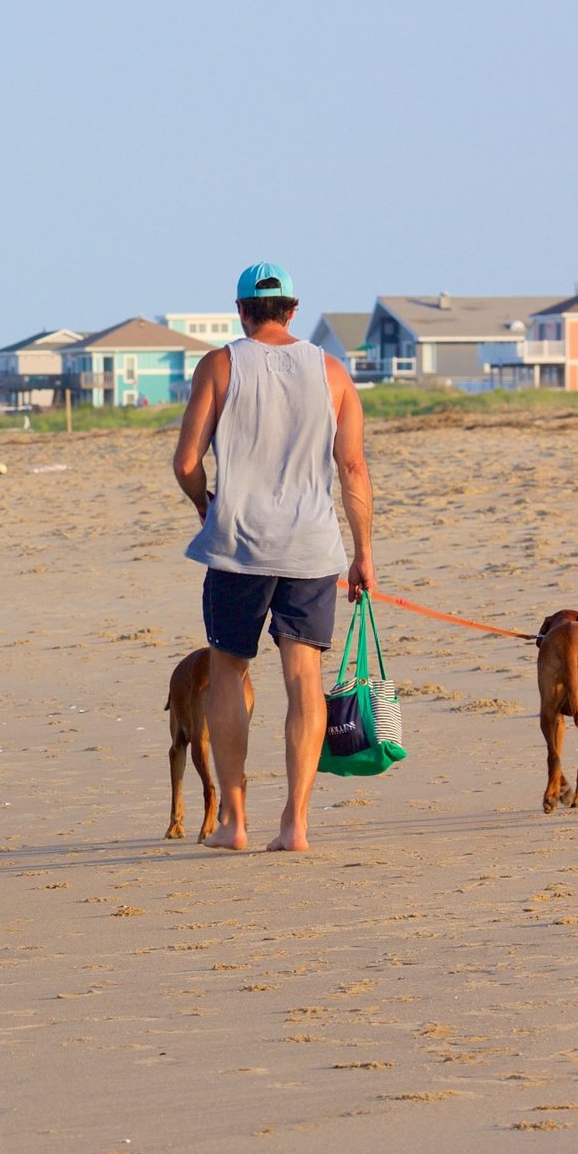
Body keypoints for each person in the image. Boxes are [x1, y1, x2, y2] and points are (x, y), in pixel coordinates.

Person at [171, 263, 374, 853]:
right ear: (293, 309)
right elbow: (354, 469)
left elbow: (186, 462)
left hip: (238, 544)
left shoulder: (221, 364)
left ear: (241, 310)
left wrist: (206, 506)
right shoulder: (333, 371)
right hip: (312, 546)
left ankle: (234, 823)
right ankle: (296, 822)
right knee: (303, 675)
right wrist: (363, 554)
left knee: (229, 670)